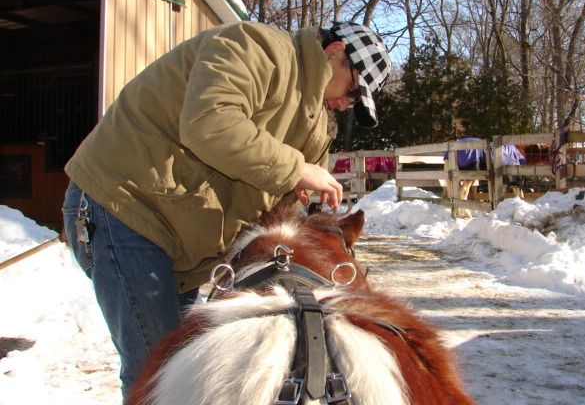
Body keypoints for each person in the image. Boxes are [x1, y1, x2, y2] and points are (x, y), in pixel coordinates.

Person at [61, 20, 391, 400]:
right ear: (335, 53)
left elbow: (274, 202)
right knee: (156, 375)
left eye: (354, 103)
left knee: (183, 370)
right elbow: (209, 122)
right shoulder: (257, 47)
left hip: (181, 241)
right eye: (352, 91)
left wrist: (294, 200)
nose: (345, 104)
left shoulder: (315, 127)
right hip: (124, 205)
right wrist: (297, 169)